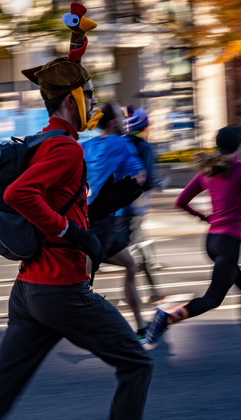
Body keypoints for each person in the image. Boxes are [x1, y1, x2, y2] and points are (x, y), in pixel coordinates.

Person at [0, 47, 153, 419]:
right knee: (137, 365)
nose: (94, 103)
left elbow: (57, 203)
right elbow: (21, 195)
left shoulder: (42, 142)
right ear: (71, 100)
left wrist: (102, 206)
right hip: (61, 290)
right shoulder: (66, 149)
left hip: (28, 291)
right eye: (90, 95)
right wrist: (74, 235)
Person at [144, 126, 241, 363]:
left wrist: (206, 217)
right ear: (240, 147)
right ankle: (165, 319)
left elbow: (181, 201)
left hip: (212, 241)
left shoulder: (209, 170)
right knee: (212, 300)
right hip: (228, 243)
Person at [82, 101, 148, 341]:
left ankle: (141, 328)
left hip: (86, 219)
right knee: (79, 284)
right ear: (112, 122)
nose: (124, 122)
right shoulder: (122, 143)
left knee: (130, 265)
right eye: (121, 118)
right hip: (104, 223)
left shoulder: (85, 146)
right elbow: (140, 177)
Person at [122, 107, 167, 300]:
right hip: (136, 206)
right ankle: (152, 292)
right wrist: (160, 183)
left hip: (118, 205)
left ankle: (151, 290)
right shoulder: (144, 147)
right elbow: (147, 179)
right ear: (145, 127)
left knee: (135, 245)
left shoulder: (121, 142)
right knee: (138, 246)